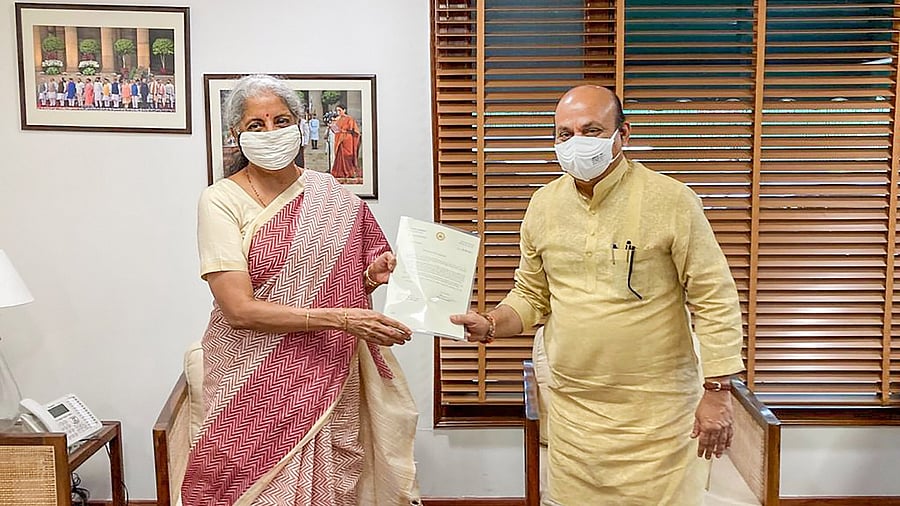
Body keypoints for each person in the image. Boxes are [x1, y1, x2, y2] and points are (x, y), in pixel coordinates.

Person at [451, 85, 745, 505]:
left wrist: (717, 391)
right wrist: (493, 323)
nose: (577, 143)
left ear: (622, 135)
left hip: (657, 414)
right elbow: (532, 295)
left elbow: (714, 297)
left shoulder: (673, 200)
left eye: (591, 130)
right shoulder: (543, 205)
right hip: (575, 412)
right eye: (565, 134)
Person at [182, 74, 421, 506]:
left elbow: (343, 281)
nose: (271, 132)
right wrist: (343, 318)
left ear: (300, 123)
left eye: (281, 120)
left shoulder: (335, 197)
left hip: (329, 370)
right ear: (236, 134)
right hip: (249, 378)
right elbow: (238, 309)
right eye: (256, 125)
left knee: (332, 486)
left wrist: (370, 275)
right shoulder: (220, 200)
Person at [329, 104, 362, 179]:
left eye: (340, 110)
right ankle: (340, 172)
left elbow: (353, 129)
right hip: (339, 139)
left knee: (348, 155)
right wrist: (332, 127)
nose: (338, 112)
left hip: (347, 139)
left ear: (344, 110)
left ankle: (349, 172)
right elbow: (336, 130)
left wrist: (343, 130)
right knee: (339, 155)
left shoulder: (349, 119)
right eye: (337, 110)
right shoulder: (338, 119)